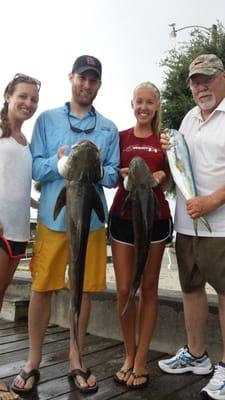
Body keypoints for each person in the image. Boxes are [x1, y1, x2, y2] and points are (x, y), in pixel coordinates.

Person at [12, 55, 119, 395]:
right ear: (71, 77)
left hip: (91, 222)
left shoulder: (109, 128)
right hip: (51, 220)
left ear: (99, 84)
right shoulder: (45, 120)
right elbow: (36, 168)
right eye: (82, 78)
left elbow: (115, 175)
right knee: (41, 288)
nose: (86, 85)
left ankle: (76, 357)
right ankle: (32, 360)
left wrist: (102, 171)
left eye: (93, 80)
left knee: (82, 291)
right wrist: (58, 165)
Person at [158, 54, 225, 400]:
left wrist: (212, 202)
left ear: (222, 77)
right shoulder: (187, 118)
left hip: (222, 227)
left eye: (208, 79)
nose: (201, 87)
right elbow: (180, 164)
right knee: (191, 287)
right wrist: (168, 149)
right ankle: (197, 356)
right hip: (186, 225)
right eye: (195, 81)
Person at [109, 82, 172, 389]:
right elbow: (107, 172)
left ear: (157, 104)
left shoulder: (166, 141)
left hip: (156, 221)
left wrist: (164, 175)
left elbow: (176, 173)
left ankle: (141, 358)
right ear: (131, 105)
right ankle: (128, 354)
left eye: (150, 102)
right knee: (124, 289)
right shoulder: (120, 138)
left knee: (148, 289)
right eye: (139, 102)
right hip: (122, 218)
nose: (144, 107)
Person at [0, 74, 40, 400]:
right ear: (8, 96)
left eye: (33, 99)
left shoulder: (26, 143)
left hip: (19, 234)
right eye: (23, 96)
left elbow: (15, 185)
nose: (28, 103)